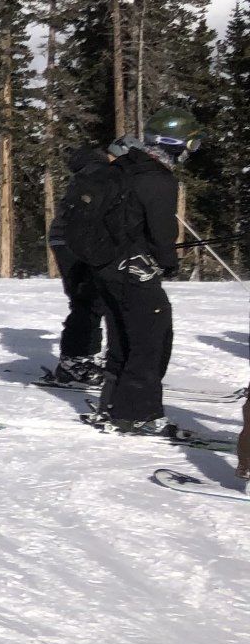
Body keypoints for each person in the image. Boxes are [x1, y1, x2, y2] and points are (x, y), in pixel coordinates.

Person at [88, 109, 198, 434]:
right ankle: (139, 414)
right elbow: (163, 233)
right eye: (191, 145)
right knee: (152, 337)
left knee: (123, 335)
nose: (191, 153)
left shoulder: (125, 165)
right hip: (133, 271)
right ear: (174, 144)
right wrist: (169, 262)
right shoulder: (159, 179)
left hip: (106, 267)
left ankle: (113, 403)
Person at [47, 145, 118, 384]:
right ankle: (74, 360)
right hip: (73, 241)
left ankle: (83, 356)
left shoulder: (92, 170)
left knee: (93, 299)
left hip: (76, 239)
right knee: (87, 299)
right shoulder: (98, 170)